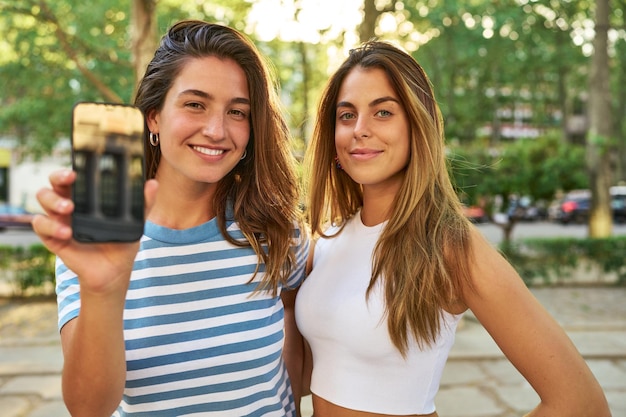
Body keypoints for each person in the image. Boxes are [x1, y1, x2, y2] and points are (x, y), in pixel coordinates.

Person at [295, 40, 611, 417]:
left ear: (417, 125)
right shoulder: (327, 238)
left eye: (383, 112)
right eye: (347, 115)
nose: (360, 129)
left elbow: (581, 402)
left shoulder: (450, 245)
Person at [32, 20, 308, 417]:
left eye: (238, 112)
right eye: (195, 104)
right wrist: (103, 292)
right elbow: (88, 408)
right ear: (153, 117)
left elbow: (295, 324)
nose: (217, 130)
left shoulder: (278, 230)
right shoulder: (96, 242)